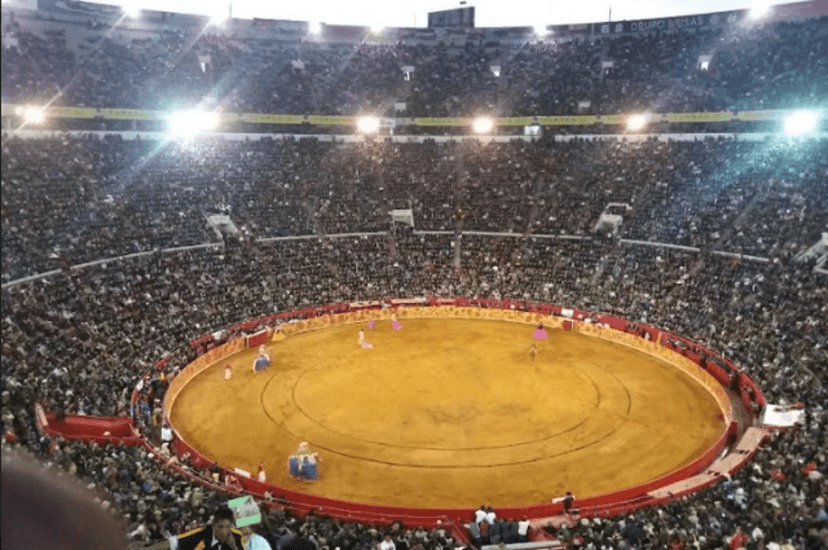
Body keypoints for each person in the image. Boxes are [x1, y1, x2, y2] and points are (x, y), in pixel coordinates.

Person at [168, 506, 245, 550]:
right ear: (214, 525)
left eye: (228, 527)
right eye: (220, 526)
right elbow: (173, 543)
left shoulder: (237, 536)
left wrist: (234, 548)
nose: (224, 531)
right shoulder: (195, 537)